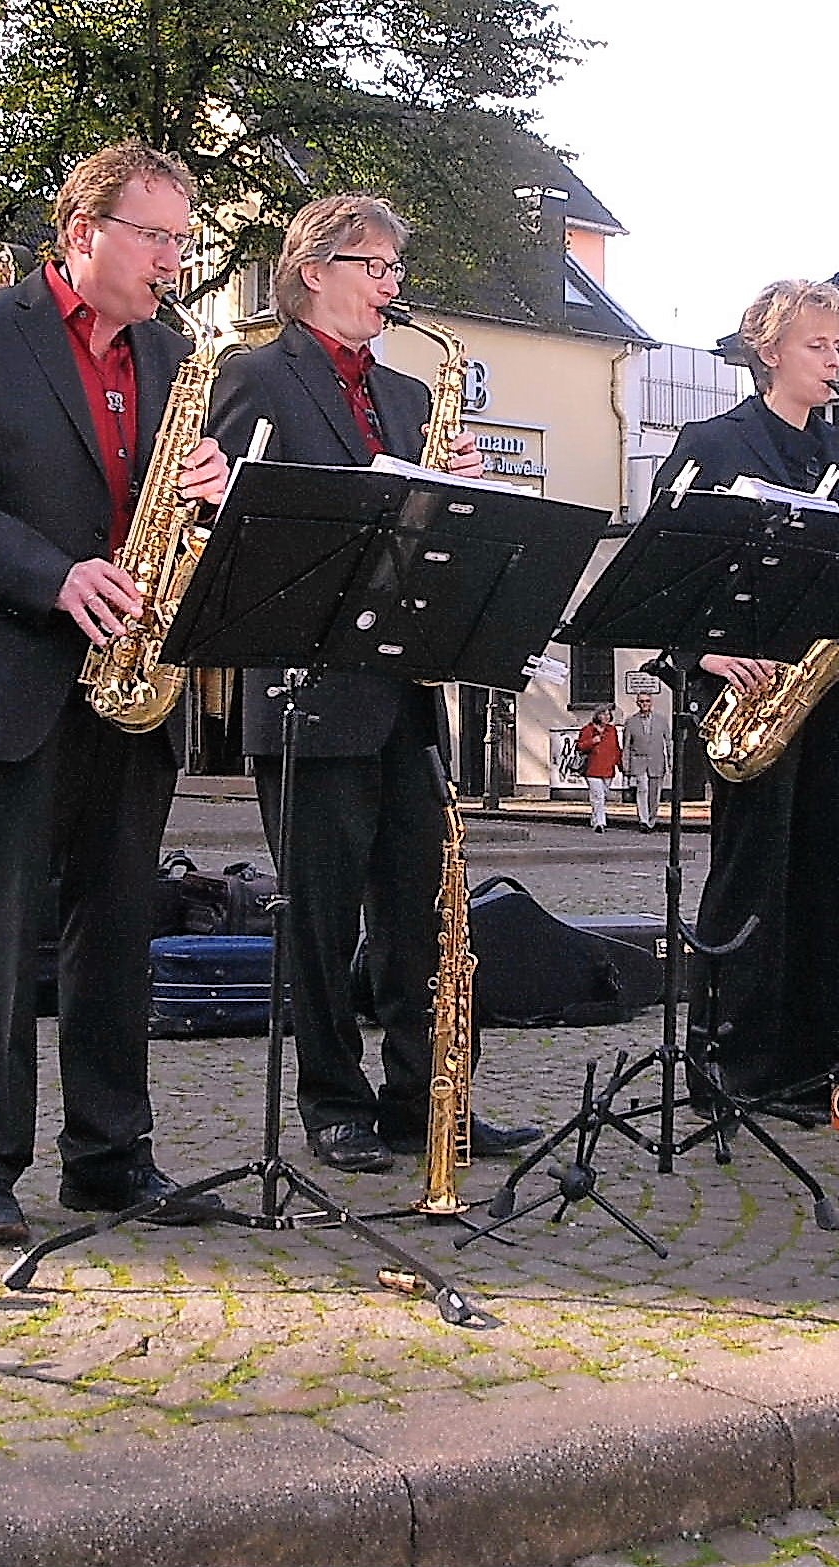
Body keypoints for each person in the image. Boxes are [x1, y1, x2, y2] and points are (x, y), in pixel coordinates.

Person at [0, 140, 231, 1245]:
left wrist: (211, 494)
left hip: (134, 682)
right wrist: (57, 574)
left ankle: (109, 1158)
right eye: (155, 235)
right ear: (84, 231)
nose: (173, 260)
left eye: (182, 239)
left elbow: (166, 518)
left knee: (119, 925)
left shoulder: (178, 357)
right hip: (19, 670)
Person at [205, 192, 539, 1173]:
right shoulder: (255, 376)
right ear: (316, 271)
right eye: (377, 267)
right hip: (305, 693)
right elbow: (222, 525)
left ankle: (426, 1099)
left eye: (398, 270)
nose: (394, 286)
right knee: (316, 915)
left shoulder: (411, 398)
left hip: (400, 694)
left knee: (427, 913)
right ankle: (332, 1101)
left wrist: (458, 501)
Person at [653, 279, 839, 1120]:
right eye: (818, 346)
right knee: (751, 878)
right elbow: (664, 567)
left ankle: (813, 1065)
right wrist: (702, 653)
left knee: (828, 878)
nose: (833, 361)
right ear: (770, 351)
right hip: (749, 690)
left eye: (838, 346)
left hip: (830, 693)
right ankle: (729, 1068)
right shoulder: (711, 442)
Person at [623, 692, 673, 831]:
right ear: (637, 703)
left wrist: (671, 761)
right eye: (641, 701)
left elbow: (668, 742)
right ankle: (643, 820)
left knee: (654, 793)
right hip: (639, 762)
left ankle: (652, 819)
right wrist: (626, 765)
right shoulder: (631, 721)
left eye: (647, 701)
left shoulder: (661, 720)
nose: (644, 704)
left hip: (656, 761)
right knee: (642, 789)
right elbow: (626, 745)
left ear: (651, 703)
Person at [577, 704, 623, 832]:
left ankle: (595, 818)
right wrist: (592, 741)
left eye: (608, 714)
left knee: (601, 796)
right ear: (597, 716)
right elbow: (580, 746)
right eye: (603, 714)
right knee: (598, 796)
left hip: (608, 769)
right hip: (592, 769)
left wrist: (621, 765)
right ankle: (600, 823)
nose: (606, 717)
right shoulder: (588, 729)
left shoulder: (611, 730)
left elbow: (616, 749)